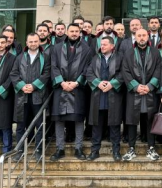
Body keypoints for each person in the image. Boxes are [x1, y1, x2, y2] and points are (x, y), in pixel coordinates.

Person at [50, 23, 93, 162]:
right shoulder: (56, 48)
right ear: (67, 32)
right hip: (60, 88)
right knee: (59, 119)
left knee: (79, 119)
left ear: (80, 32)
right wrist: (62, 82)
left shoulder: (87, 49)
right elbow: (53, 66)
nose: (74, 33)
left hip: (78, 88)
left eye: (76, 31)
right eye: (72, 31)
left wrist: (76, 82)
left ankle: (78, 148)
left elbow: (88, 68)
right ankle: (59, 149)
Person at [122, 28, 161, 162]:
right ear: (135, 37)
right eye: (139, 35)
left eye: (144, 35)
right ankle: (131, 148)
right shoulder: (129, 52)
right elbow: (125, 71)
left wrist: (150, 86)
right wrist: (136, 86)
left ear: (148, 36)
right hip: (135, 92)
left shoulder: (155, 52)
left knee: (150, 120)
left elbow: (158, 70)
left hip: (150, 93)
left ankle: (151, 148)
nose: (142, 37)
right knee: (132, 121)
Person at [11, 33, 51, 160]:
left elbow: (46, 74)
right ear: (27, 43)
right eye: (31, 41)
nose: (33, 44)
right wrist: (22, 85)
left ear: (39, 42)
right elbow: (14, 74)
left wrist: (34, 86)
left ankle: (39, 150)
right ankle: (20, 150)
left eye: (35, 41)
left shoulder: (45, 57)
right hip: (22, 96)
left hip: (39, 96)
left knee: (39, 125)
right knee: (21, 125)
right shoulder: (19, 57)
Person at [87, 35, 124, 161]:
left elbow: (123, 73)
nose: (102, 46)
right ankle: (95, 151)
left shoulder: (120, 58)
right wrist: (98, 83)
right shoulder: (95, 58)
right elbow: (89, 73)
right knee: (96, 125)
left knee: (114, 125)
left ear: (112, 46)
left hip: (113, 95)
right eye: (101, 44)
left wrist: (112, 84)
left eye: (105, 44)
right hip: (98, 95)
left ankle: (116, 151)